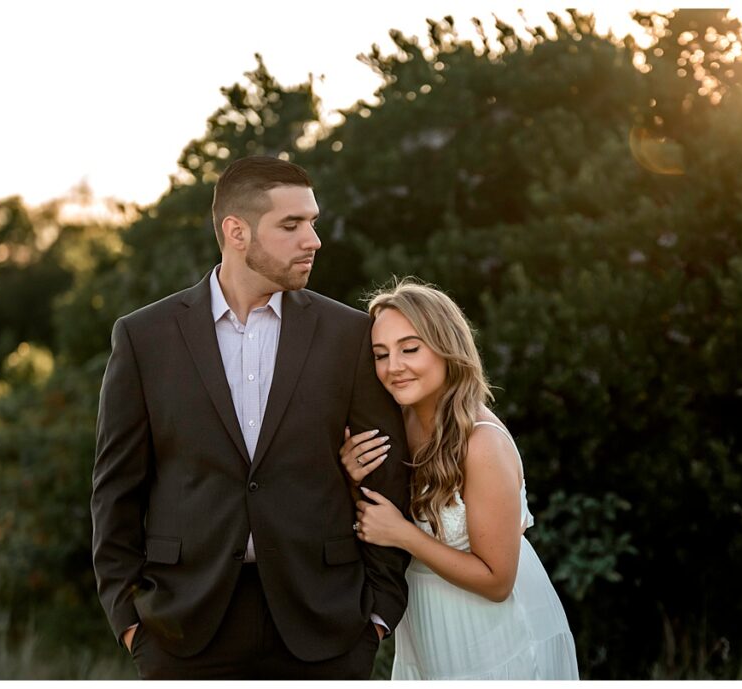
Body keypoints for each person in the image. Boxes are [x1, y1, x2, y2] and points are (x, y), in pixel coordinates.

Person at [90, 156, 412, 680]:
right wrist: (129, 618)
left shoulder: (349, 335)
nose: (313, 239)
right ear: (236, 232)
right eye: (291, 225)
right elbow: (115, 488)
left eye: (312, 222)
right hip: (182, 626)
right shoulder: (144, 337)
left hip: (325, 621)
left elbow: (387, 472)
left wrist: (377, 613)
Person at [339, 280, 580, 680]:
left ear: (447, 348)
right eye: (381, 354)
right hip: (429, 638)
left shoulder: (481, 443)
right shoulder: (396, 423)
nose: (393, 366)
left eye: (410, 349)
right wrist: (352, 479)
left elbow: (497, 580)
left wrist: (404, 534)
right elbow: (373, 525)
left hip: (500, 638)